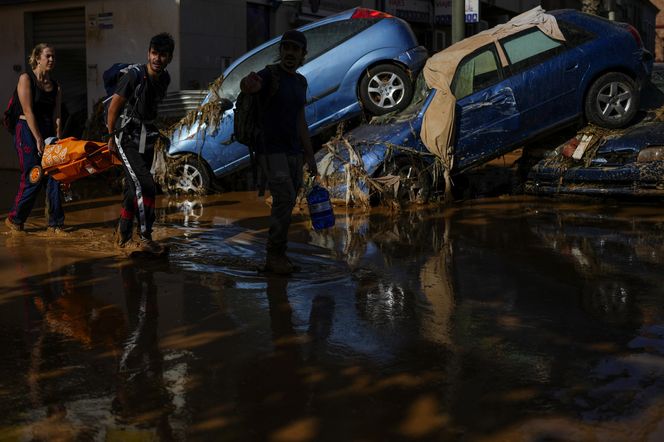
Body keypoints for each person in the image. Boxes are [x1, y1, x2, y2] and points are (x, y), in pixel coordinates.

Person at [240, 30, 318, 274]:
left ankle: (278, 255)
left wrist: (310, 154)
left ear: (303, 55)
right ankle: (274, 256)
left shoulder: (300, 82)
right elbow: (250, 85)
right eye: (286, 48)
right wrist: (247, 85)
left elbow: (300, 120)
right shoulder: (270, 74)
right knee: (284, 198)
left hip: (293, 150)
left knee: (289, 200)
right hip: (270, 150)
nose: (290, 53)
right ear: (280, 51)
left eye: (295, 49)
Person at [107, 33, 174, 255]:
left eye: (162, 55)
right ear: (148, 53)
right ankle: (146, 237)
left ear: (169, 58)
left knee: (131, 189)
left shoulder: (164, 79)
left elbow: (152, 109)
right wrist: (111, 136)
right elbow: (114, 107)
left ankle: (123, 235)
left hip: (146, 137)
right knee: (145, 184)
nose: (157, 58)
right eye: (154, 53)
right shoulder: (135, 76)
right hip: (125, 137)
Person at [5, 43, 65, 234]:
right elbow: (28, 110)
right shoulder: (26, 78)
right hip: (27, 130)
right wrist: (38, 138)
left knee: (55, 174)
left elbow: (57, 116)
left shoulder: (56, 86)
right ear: (37, 58)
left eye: (53, 56)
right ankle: (15, 219)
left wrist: (58, 139)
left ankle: (55, 224)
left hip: (47, 132)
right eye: (48, 56)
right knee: (34, 174)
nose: (51, 60)